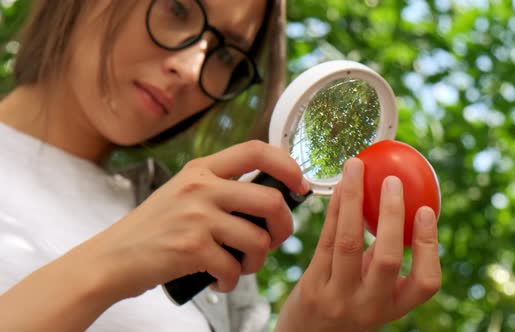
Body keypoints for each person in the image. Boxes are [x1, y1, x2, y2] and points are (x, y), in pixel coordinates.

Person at [0, 0, 442, 331]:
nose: (194, 69)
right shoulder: (179, 232)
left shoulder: (204, 244)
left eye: (228, 56)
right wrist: (110, 264)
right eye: (177, 9)